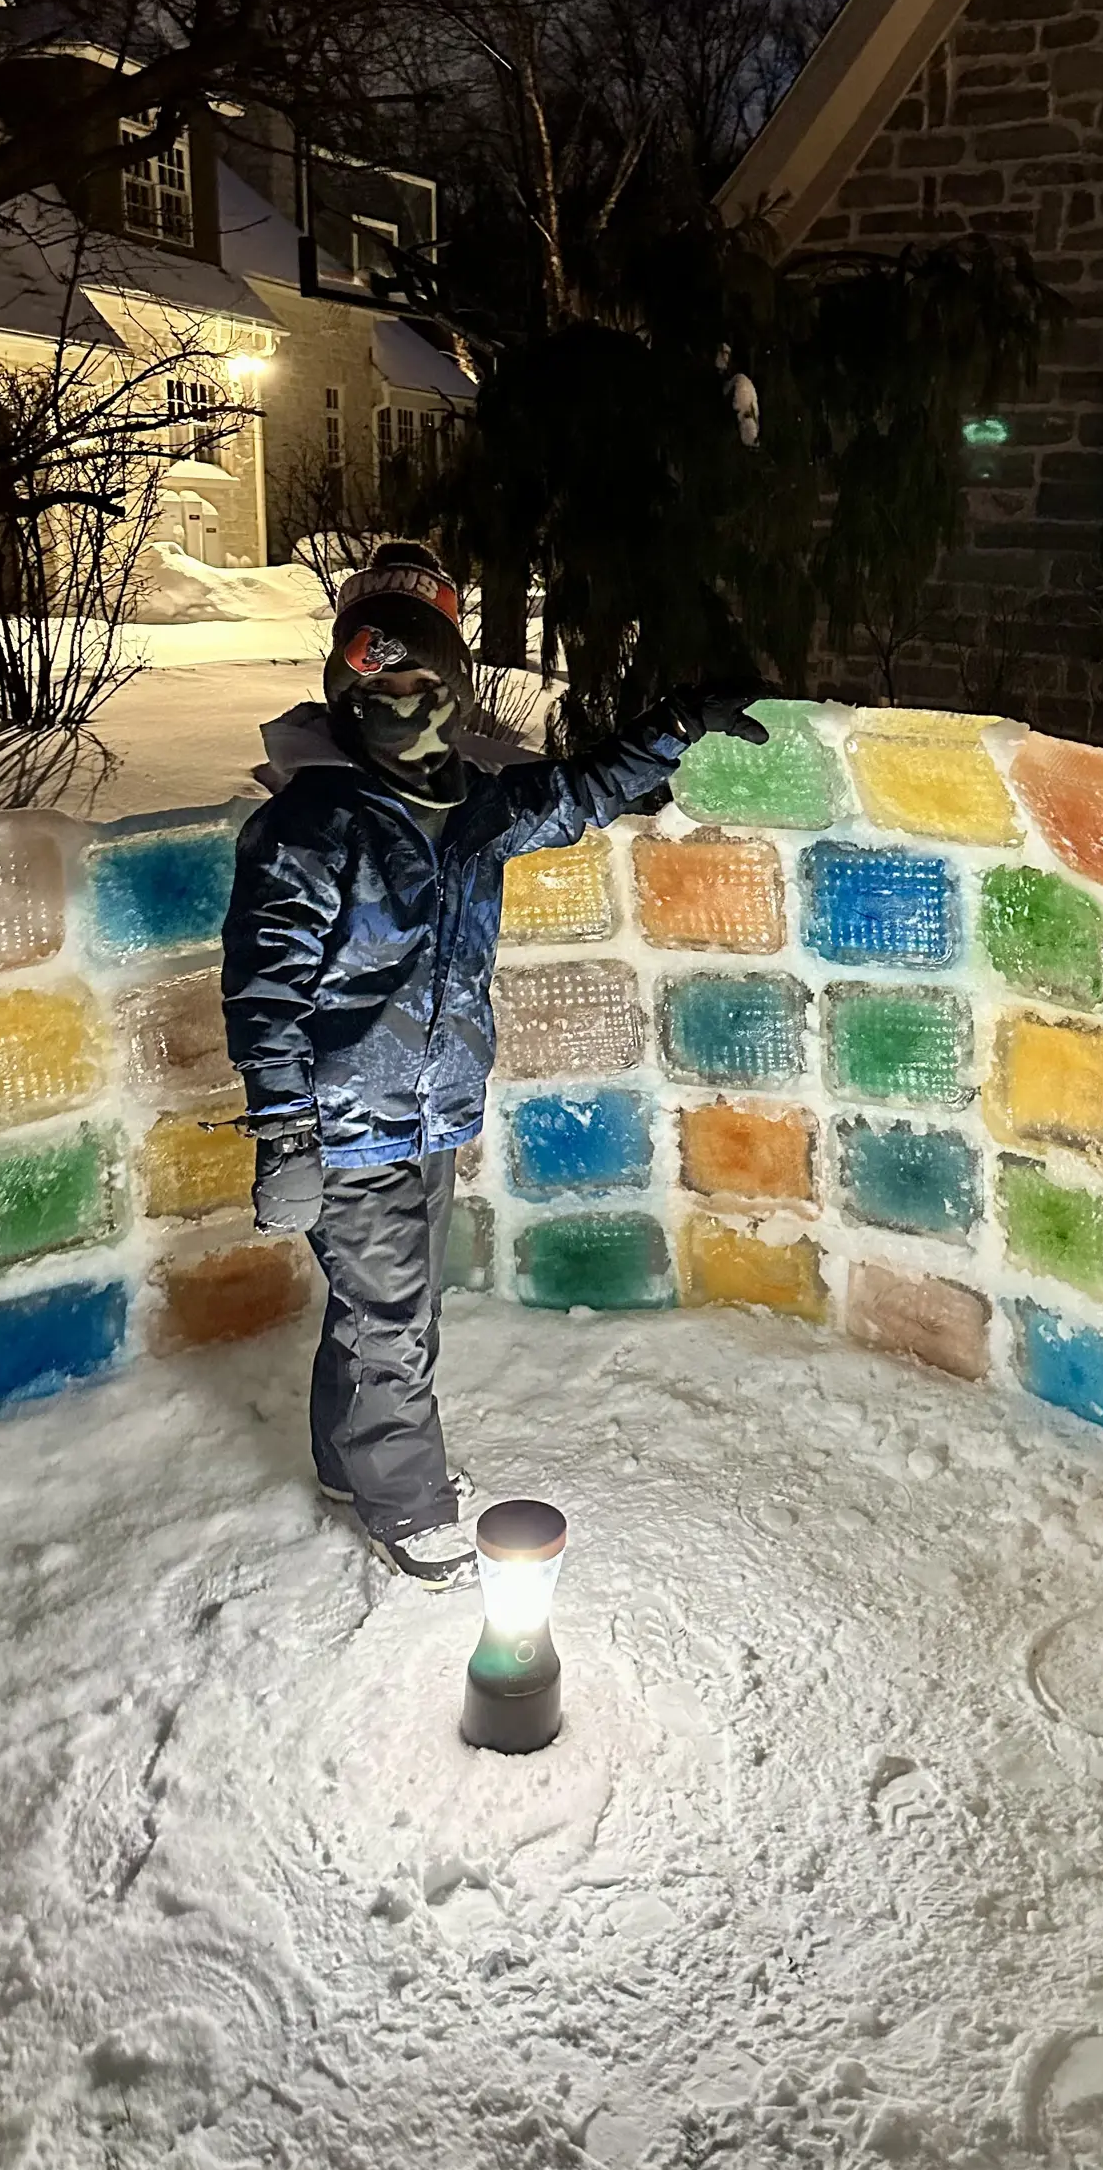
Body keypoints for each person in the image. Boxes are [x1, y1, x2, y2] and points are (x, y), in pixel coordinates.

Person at [221, 541, 766, 1591]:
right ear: (343, 687)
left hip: (425, 1112)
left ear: (455, 686)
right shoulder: (309, 826)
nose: (401, 701)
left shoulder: (469, 808)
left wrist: (675, 723)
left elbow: (576, 792)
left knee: (389, 1307)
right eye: (376, 682)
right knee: (391, 1324)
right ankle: (408, 1506)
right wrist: (285, 1131)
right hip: (343, 1122)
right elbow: (265, 990)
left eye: (424, 681)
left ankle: (348, 1461)